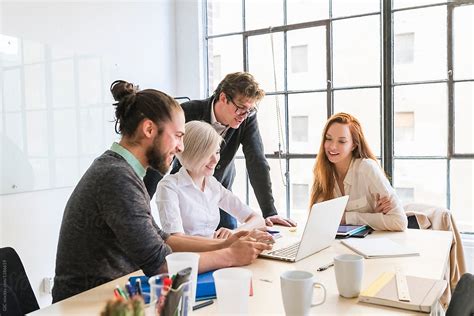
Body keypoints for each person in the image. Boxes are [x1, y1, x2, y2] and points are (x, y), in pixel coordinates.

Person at [52, 80, 272, 303]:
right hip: (84, 304)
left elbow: (163, 239)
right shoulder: (116, 177)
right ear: (149, 129)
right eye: (178, 136)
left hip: (111, 295)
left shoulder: (122, 171)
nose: (181, 148)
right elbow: (162, 265)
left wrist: (227, 242)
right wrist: (230, 255)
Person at [144, 72, 296, 229]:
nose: (244, 115)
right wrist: (141, 209)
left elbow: (256, 160)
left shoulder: (247, 118)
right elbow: (162, 155)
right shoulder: (187, 112)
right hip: (187, 190)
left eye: (249, 110)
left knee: (230, 234)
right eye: (241, 108)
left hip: (220, 189)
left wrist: (269, 212)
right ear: (223, 98)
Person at [157, 121, 266, 239]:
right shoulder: (169, 186)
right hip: (187, 256)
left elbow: (258, 220)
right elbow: (177, 240)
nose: (215, 160)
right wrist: (222, 243)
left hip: (216, 251)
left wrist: (234, 233)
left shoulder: (212, 184)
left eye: (217, 151)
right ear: (190, 153)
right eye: (209, 153)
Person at [309, 112, 407, 231]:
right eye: (328, 139)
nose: (332, 147)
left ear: (354, 145)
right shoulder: (322, 171)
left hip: (371, 245)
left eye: (342, 141)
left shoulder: (367, 168)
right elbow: (317, 223)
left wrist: (347, 218)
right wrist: (372, 217)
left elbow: (399, 222)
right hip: (336, 245)